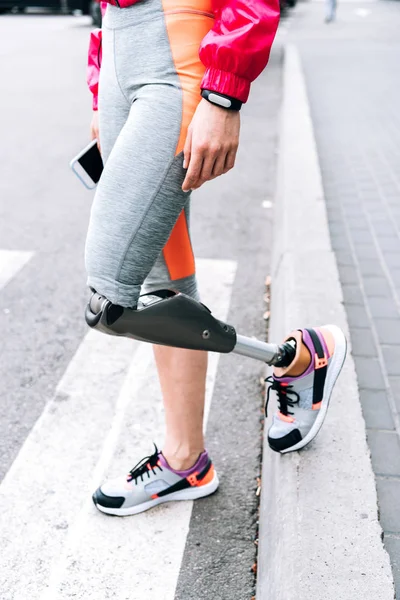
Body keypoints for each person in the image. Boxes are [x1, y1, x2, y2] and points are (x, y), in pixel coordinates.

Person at [85, 0, 347, 517]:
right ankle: (186, 461)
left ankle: (297, 360)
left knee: (109, 299)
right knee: (161, 288)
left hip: (177, 56)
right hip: (120, 45)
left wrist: (223, 94)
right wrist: (100, 80)